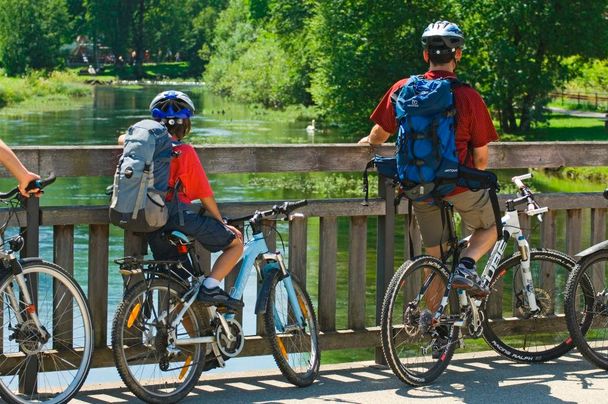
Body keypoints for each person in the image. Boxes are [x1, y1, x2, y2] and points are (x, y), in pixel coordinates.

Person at [358, 21, 499, 297]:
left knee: (435, 260)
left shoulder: (403, 88)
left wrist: (368, 143)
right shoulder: (469, 97)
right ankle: (467, 266)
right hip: (456, 184)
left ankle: (434, 328)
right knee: (494, 226)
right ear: (457, 55)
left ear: (426, 56)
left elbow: (380, 133)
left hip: (417, 184)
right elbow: (481, 161)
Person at [145, 90, 244, 310]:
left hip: (150, 221)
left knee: (181, 290)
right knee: (236, 243)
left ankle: (188, 342)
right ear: (185, 125)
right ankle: (210, 286)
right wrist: (221, 221)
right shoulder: (184, 151)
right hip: (177, 218)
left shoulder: (142, 146)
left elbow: (123, 138)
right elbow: (203, 192)